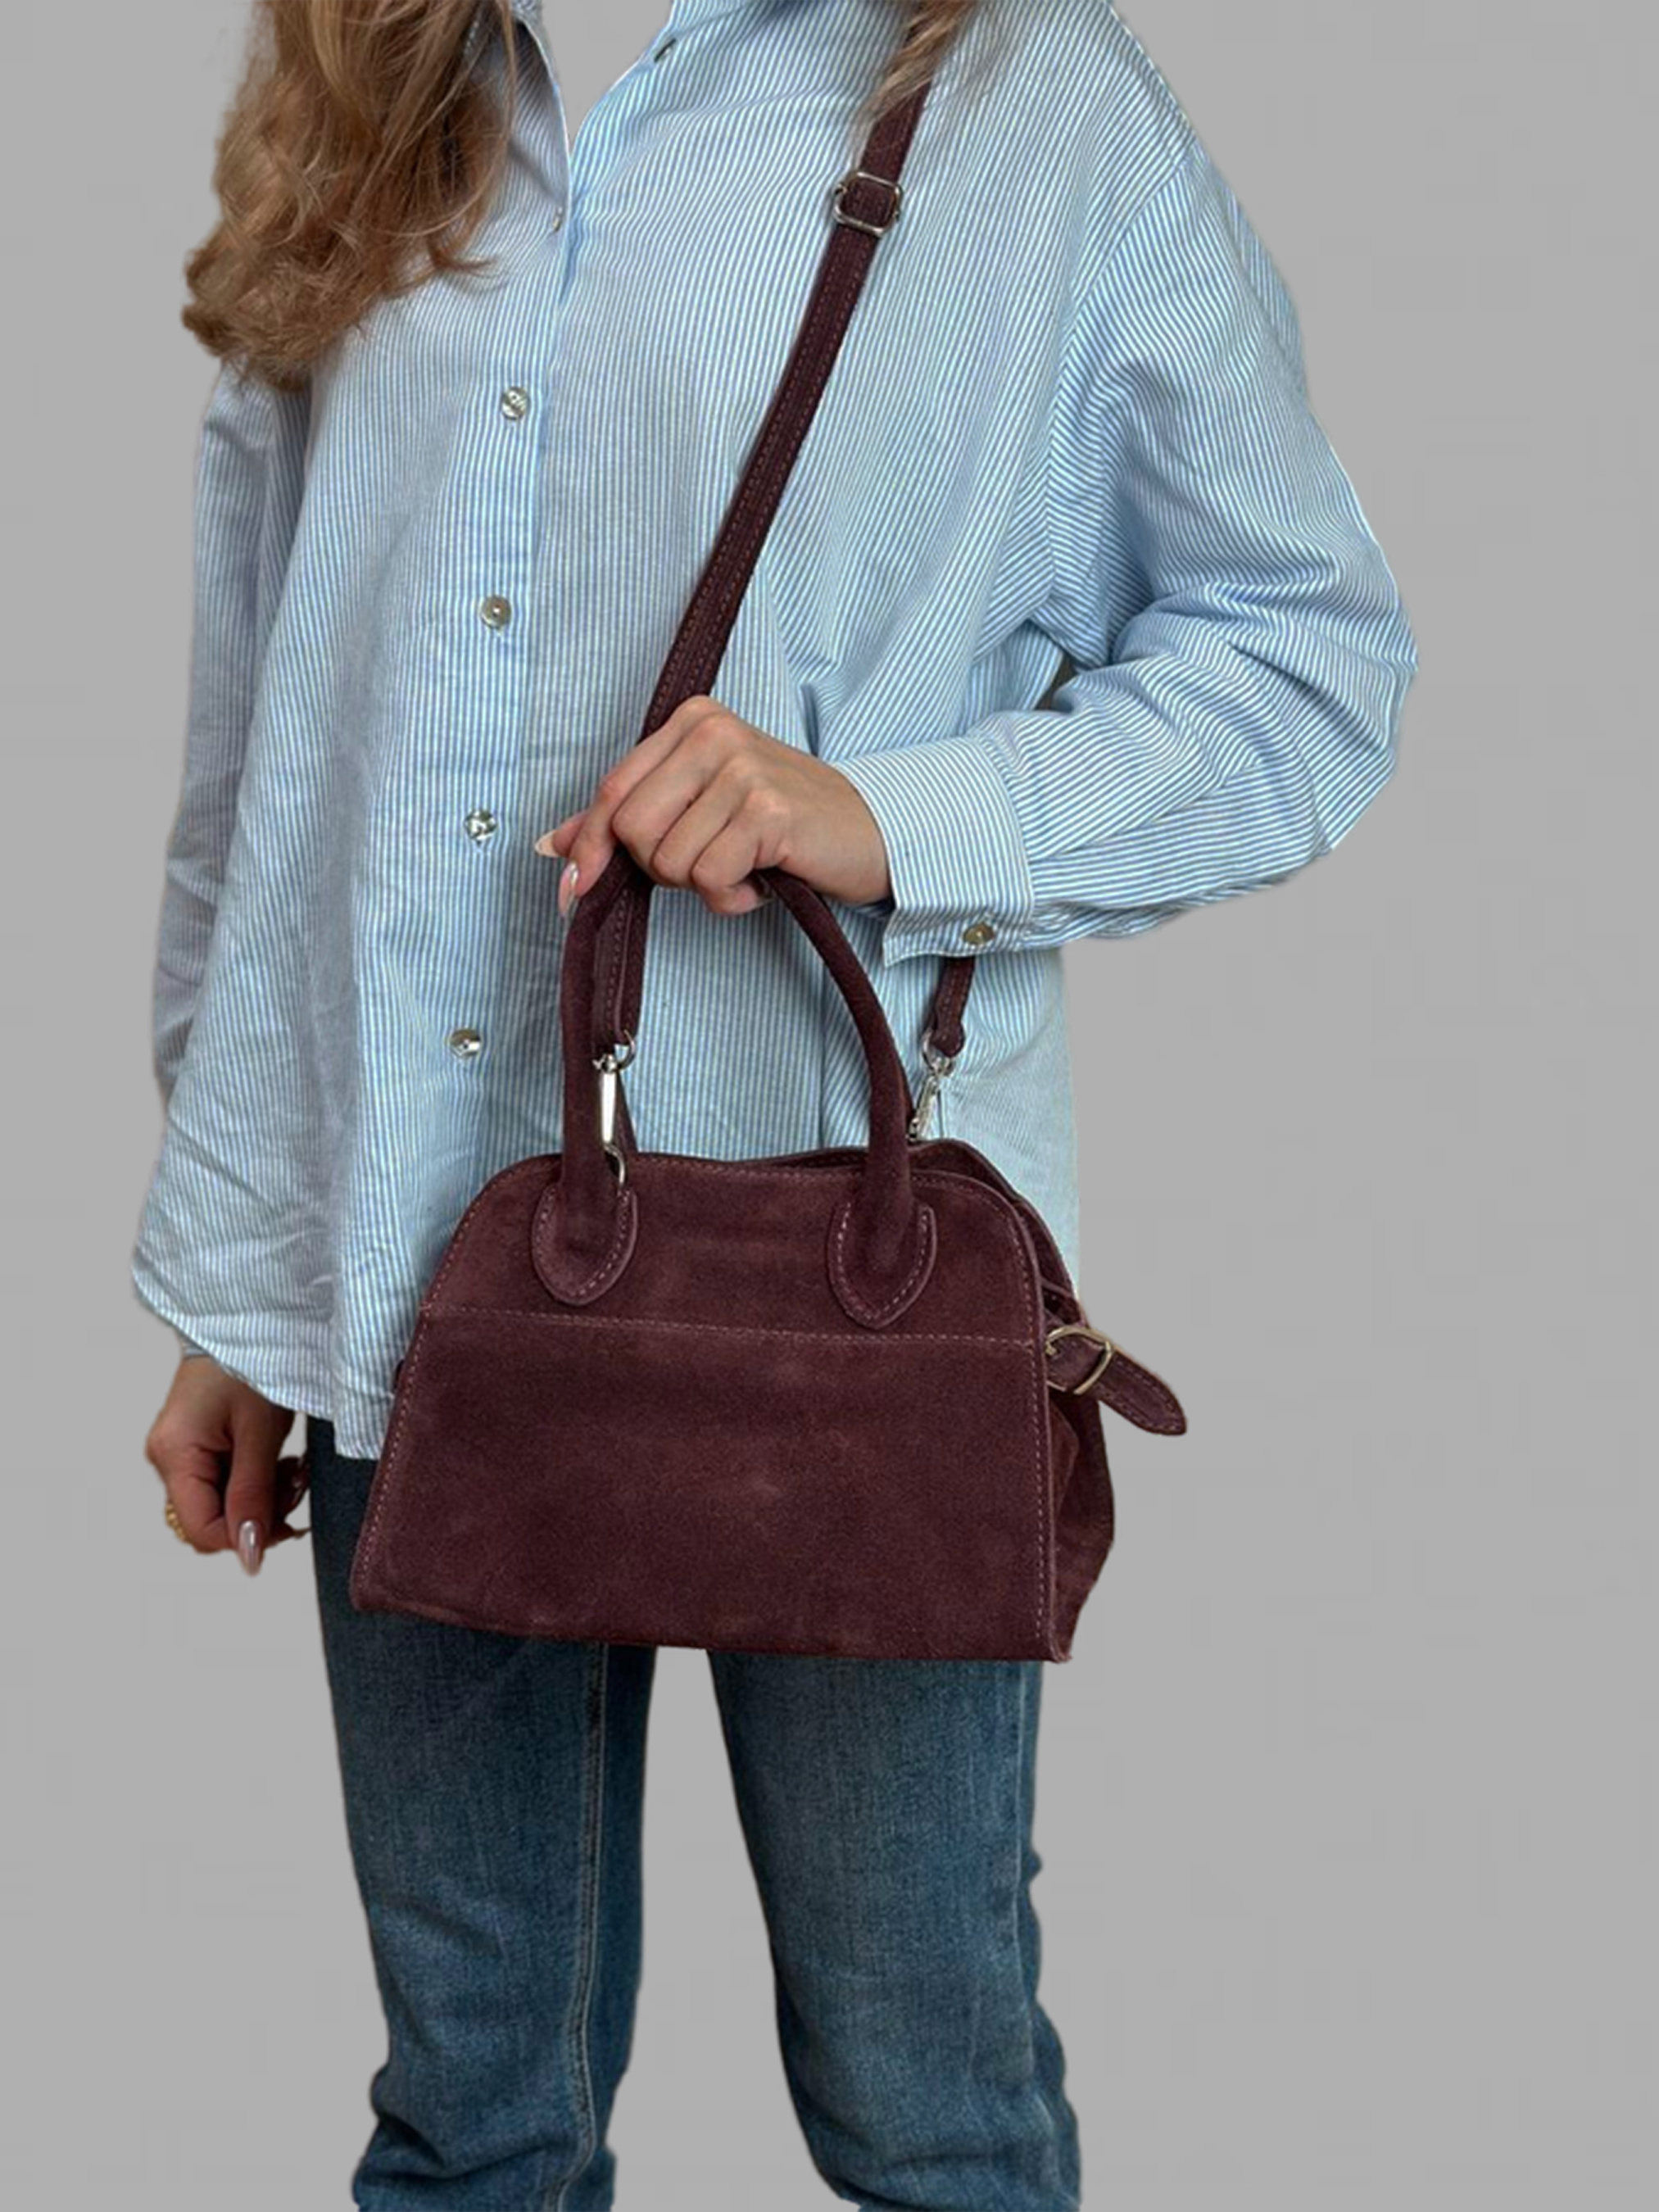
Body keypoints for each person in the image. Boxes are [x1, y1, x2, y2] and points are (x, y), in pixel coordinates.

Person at [131, 2, 1418, 2205]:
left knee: (927, 2114)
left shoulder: (1027, 100)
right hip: (408, 1268)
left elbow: (1307, 664)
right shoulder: (375, 58)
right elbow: (274, 726)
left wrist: (887, 812)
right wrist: (248, 1274)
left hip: (848, 1297)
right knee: (468, 2124)